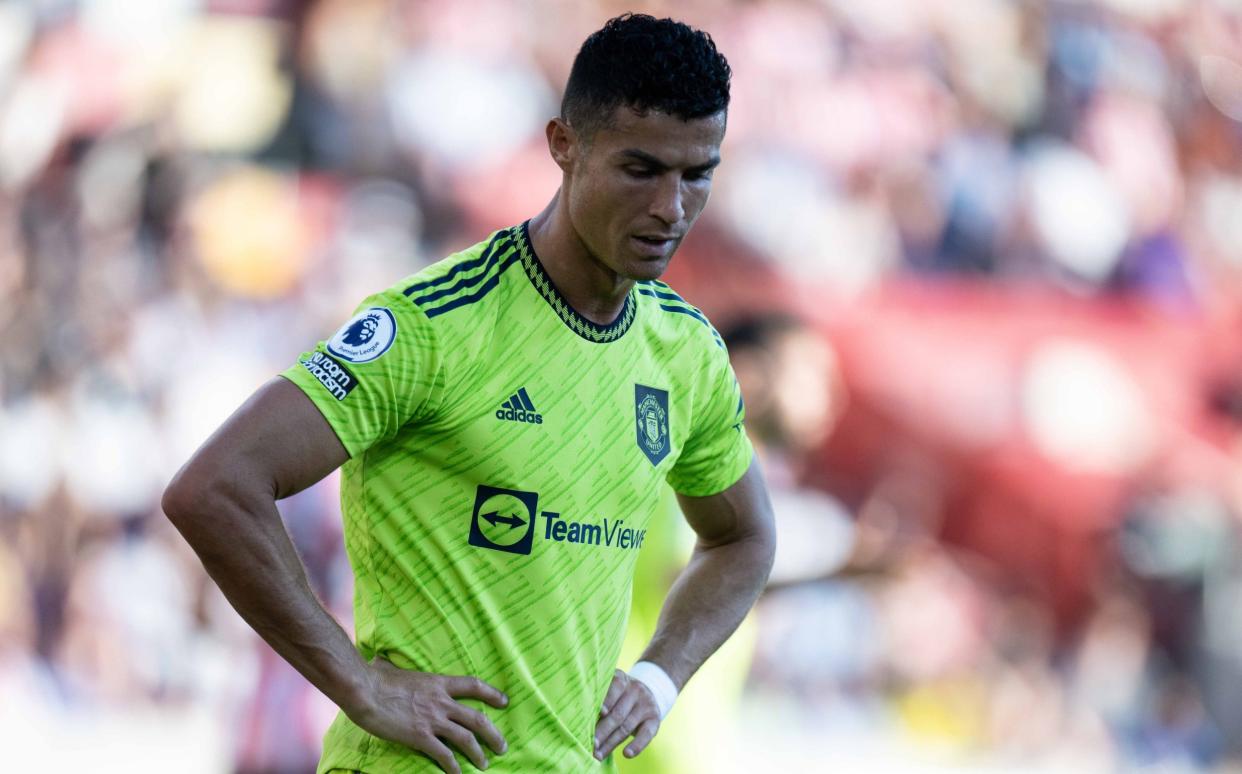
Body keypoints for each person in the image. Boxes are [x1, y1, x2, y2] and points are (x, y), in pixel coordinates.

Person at [162, 13, 776, 773]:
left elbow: (744, 537)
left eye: (697, 175)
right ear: (563, 144)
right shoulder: (436, 324)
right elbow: (215, 487)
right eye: (641, 169)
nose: (670, 207)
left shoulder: (686, 352)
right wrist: (361, 685)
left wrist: (659, 673)